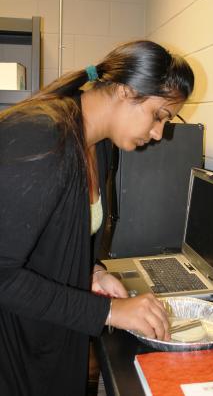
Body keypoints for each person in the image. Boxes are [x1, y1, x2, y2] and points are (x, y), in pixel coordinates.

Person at [0, 40, 194, 396]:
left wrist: (93, 272)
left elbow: (55, 235)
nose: (158, 133)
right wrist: (109, 311)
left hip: (54, 334)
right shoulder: (41, 137)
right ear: (125, 90)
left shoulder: (99, 146)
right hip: (13, 350)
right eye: (159, 115)